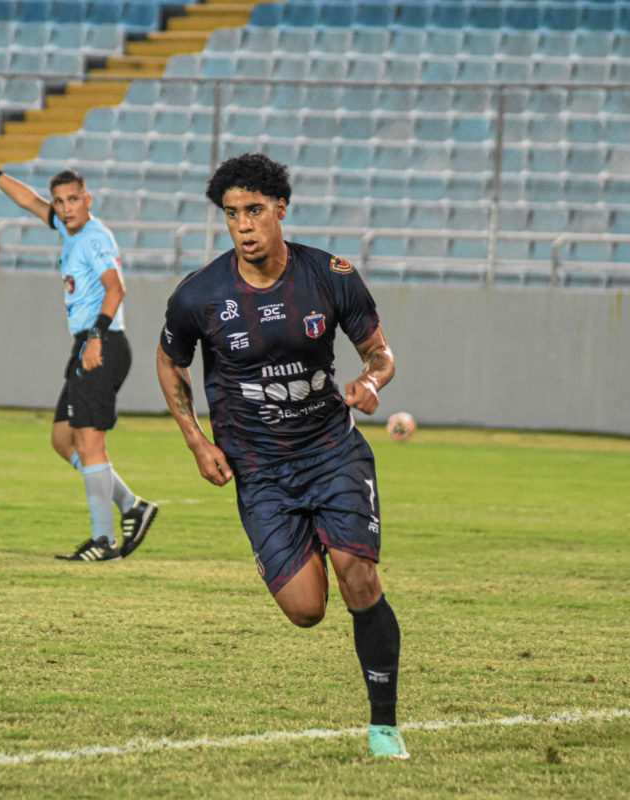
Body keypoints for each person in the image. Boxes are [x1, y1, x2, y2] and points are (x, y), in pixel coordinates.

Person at [155, 153, 408, 759]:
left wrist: (371, 383)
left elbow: (380, 353)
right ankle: (300, 546)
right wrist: (195, 439)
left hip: (330, 451)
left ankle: (384, 727)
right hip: (260, 471)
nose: (243, 225)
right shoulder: (199, 294)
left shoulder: (330, 275)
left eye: (255, 211)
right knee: (306, 610)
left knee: (359, 575)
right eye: (232, 214)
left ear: (280, 211)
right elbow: (170, 361)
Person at [0, 132, 157, 562]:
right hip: (87, 344)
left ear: (88, 200)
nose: (65, 208)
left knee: (91, 443)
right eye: (59, 201)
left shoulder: (94, 238)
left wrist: (96, 337)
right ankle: (132, 505)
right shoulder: (68, 228)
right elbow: (25, 198)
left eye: (72, 200)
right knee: (64, 439)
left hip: (103, 343)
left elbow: (116, 290)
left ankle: (103, 542)